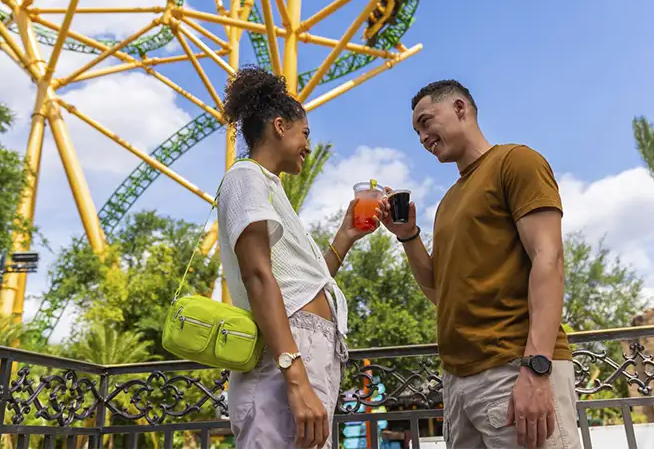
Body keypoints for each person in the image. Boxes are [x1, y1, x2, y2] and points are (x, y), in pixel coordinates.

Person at [382, 79, 581, 449]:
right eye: (416, 131)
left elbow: (548, 258)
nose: (422, 137)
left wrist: (537, 368)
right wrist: (408, 237)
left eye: (426, 122)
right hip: (458, 383)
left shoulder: (516, 161)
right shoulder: (447, 202)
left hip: (515, 369)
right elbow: (440, 292)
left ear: (460, 108)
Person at [217, 66, 385, 449]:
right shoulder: (246, 177)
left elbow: (304, 283)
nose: (308, 145)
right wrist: (295, 377)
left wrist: (346, 235)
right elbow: (258, 276)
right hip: (287, 360)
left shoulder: (269, 188)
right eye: (304, 133)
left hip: (304, 355)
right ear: (280, 125)